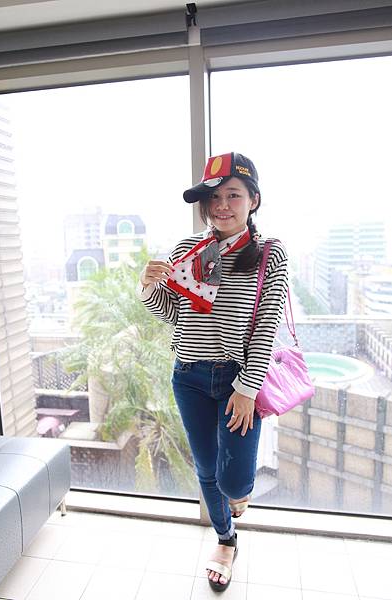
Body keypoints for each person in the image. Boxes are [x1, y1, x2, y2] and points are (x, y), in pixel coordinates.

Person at [136, 152, 288, 592]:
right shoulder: (188, 250)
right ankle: (226, 540)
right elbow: (174, 314)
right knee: (206, 468)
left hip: (238, 380)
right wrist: (148, 287)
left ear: (253, 200)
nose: (222, 206)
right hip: (189, 376)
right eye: (213, 198)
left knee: (235, 480)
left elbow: (267, 325)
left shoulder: (269, 254)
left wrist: (247, 388)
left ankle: (236, 499)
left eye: (233, 195)